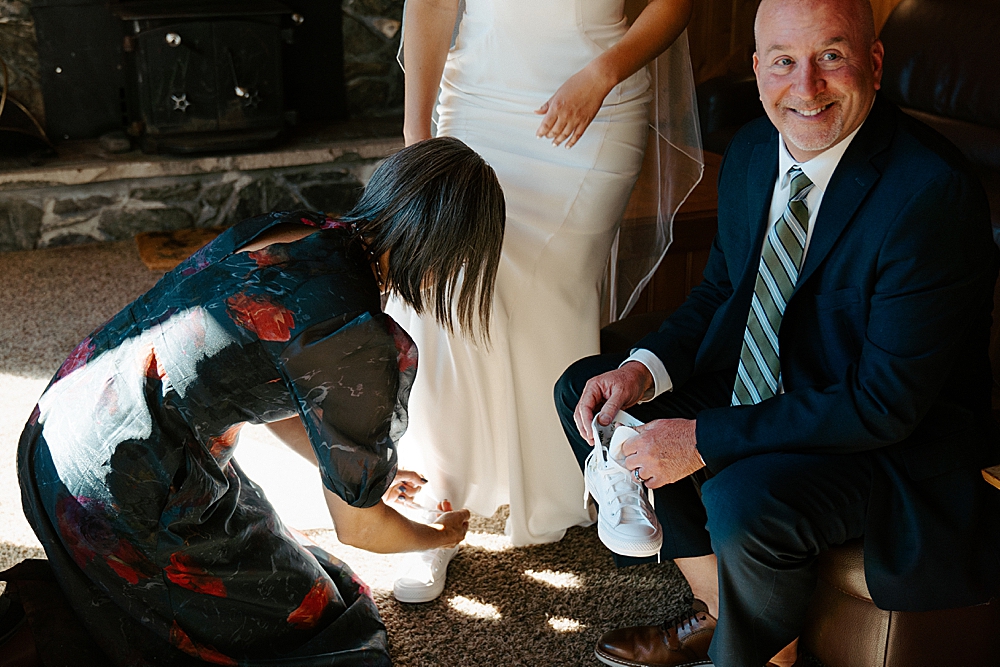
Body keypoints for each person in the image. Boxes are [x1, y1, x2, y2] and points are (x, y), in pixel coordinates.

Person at [554, 0, 1000, 664]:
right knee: (586, 392)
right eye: (785, 62)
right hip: (783, 386)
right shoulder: (755, 147)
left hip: (888, 439)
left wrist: (702, 437)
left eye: (831, 57)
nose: (806, 87)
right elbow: (721, 291)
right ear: (758, 69)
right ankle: (720, 613)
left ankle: (756, 652)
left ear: (873, 63)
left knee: (742, 494)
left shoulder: (930, 192)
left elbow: (883, 403)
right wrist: (642, 369)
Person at [5, 137, 505, 667]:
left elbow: (268, 390)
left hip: (55, 432)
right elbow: (359, 530)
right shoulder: (359, 336)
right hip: (111, 490)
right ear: (449, 257)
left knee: (292, 567)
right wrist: (438, 534)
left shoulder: (299, 228)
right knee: (325, 624)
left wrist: (355, 467)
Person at [386, 0, 704, 597]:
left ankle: (567, 477)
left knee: (548, 295)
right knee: (439, 288)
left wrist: (602, 74)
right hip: (475, 98)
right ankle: (438, 502)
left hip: (595, 100)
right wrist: (416, 137)